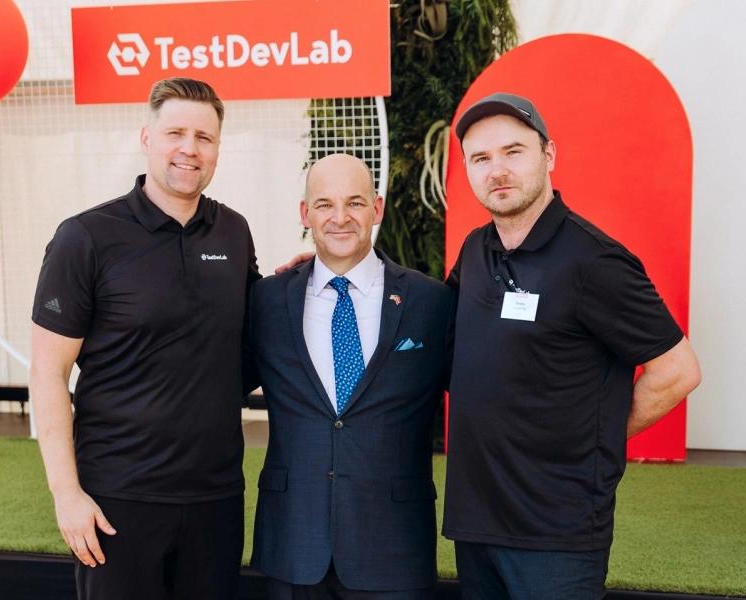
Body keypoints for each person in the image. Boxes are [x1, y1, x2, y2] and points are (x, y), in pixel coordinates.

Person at [443, 92, 701, 600]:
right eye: (481, 158)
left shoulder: (595, 261)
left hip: (556, 533)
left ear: (549, 155)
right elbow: (435, 324)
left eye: (513, 151)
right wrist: (336, 270)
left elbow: (678, 371)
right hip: (476, 523)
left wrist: (592, 438)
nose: (497, 170)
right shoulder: (477, 249)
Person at [29, 77, 260, 600]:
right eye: (175, 132)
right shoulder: (86, 237)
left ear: (218, 148)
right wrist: (66, 494)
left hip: (216, 497)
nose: (189, 148)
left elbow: (251, 331)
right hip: (117, 500)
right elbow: (47, 372)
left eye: (204, 137)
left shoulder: (233, 232)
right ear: (147, 137)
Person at [247, 153, 453, 599]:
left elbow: (482, 396)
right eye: (324, 204)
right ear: (305, 214)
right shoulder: (264, 302)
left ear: (376, 208)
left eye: (355, 203)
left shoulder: (432, 303)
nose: (340, 218)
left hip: (395, 547)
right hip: (293, 545)